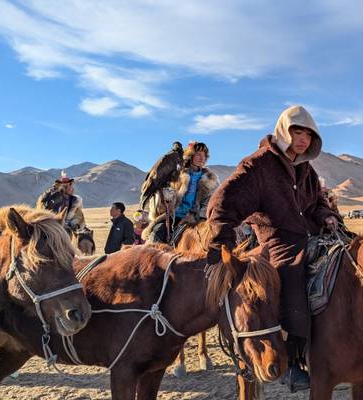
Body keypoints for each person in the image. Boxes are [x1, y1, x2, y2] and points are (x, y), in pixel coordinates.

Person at [206, 105, 340, 392]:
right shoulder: (259, 165)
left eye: (308, 134)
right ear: (283, 130)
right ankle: (294, 360)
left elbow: (316, 204)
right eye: (297, 131)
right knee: (292, 278)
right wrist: (222, 242)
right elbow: (222, 202)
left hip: (314, 236)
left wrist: (327, 216)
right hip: (278, 242)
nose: (303, 138)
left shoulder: (306, 170)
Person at [145, 141, 220, 244]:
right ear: (190, 155)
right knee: (156, 235)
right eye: (198, 154)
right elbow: (163, 191)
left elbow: (209, 202)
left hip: (194, 219)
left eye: (204, 155)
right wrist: (166, 197)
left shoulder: (211, 179)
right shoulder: (176, 174)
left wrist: (198, 218)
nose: (202, 158)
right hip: (171, 215)